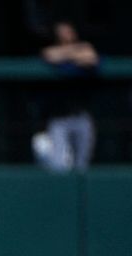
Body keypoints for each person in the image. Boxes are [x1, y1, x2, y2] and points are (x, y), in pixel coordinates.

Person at [38, 20, 98, 172]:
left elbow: (91, 56)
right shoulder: (54, 49)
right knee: (58, 165)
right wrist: (75, 53)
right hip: (59, 117)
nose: (65, 35)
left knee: (82, 166)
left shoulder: (84, 47)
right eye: (61, 32)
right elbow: (49, 55)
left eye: (68, 31)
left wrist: (66, 54)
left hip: (81, 115)